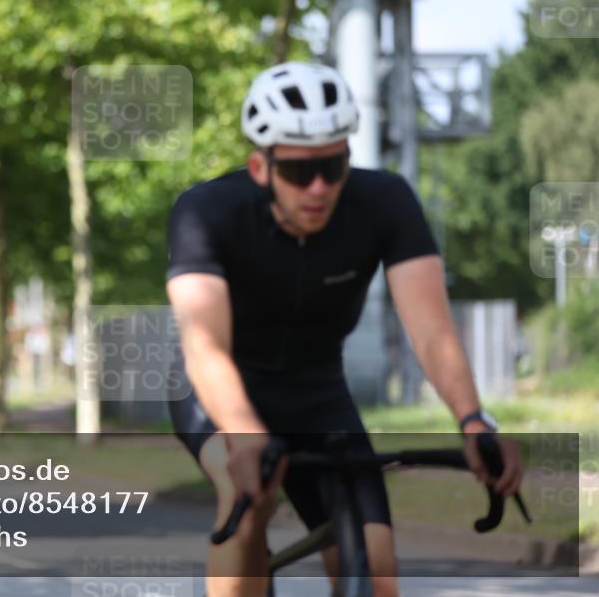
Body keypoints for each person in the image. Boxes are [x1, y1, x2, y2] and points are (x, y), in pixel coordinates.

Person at [165, 61, 524, 597]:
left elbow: (432, 332)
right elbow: (205, 346)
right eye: (298, 172)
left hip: (318, 394)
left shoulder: (384, 201)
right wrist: (245, 435)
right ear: (261, 167)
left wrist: (473, 420)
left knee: (377, 572)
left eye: (333, 167)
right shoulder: (206, 212)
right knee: (247, 501)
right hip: (218, 390)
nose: (318, 187)